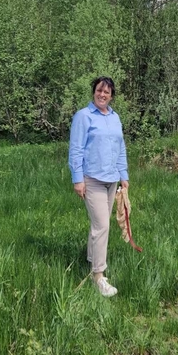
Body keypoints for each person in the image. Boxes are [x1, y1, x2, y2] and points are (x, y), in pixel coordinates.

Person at [68, 76, 129, 297]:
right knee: (102, 225)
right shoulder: (83, 117)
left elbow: (120, 148)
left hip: (111, 180)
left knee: (98, 225)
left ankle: (92, 259)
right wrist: (78, 179)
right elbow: (76, 149)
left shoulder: (115, 118)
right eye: (99, 91)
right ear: (93, 92)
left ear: (112, 96)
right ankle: (98, 276)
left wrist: (124, 175)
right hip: (92, 179)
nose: (102, 95)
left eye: (107, 92)